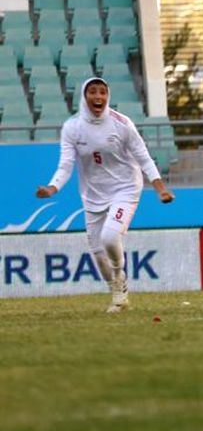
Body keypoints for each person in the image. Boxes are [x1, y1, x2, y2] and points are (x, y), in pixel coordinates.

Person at [36, 77, 174, 313]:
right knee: (98, 252)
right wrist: (52, 187)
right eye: (92, 92)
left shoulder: (122, 123)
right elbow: (66, 165)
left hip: (125, 188)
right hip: (93, 195)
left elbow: (143, 157)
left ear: (107, 96)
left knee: (110, 237)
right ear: (84, 95)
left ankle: (120, 278)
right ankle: (116, 293)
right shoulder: (72, 127)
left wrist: (160, 188)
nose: (98, 97)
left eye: (102, 92)